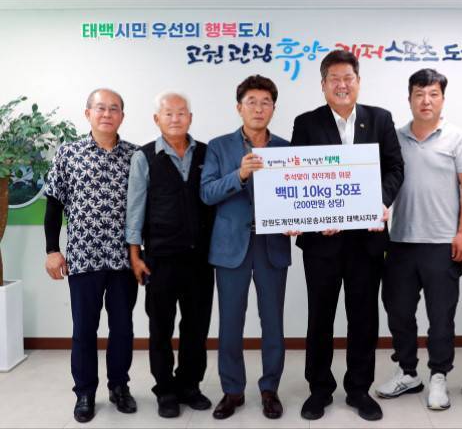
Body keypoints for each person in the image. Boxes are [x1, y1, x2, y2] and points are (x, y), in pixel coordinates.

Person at [291, 50, 404, 421]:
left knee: (364, 318)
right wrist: (314, 216)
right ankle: (319, 390)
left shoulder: (380, 119)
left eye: (348, 78)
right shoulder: (306, 123)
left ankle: (358, 389)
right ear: (323, 85)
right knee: (320, 318)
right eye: (334, 79)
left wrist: (379, 202)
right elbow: (297, 175)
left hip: (365, 242)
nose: (342, 85)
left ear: (358, 81)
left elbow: (395, 168)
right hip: (321, 242)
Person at [375, 68, 462, 410]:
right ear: (409, 99)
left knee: (441, 316)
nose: (426, 100)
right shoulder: (394, 137)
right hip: (400, 242)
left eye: (433, 94)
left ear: (442, 99)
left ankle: (438, 376)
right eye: (419, 94)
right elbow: (381, 181)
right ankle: (408, 372)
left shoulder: (457, 138)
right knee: (398, 311)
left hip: (442, 242)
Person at [200, 75, 291, 420]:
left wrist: (298, 218)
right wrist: (239, 175)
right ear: (239, 107)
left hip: (272, 246)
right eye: (251, 101)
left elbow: (297, 197)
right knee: (230, 322)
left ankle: (270, 389)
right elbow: (207, 193)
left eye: (265, 102)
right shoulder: (218, 146)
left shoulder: (287, 149)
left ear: (273, 109)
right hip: (231, 247)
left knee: (273, 322)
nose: (258, 108)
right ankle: (232, 390)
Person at [44, 88, 138, 423]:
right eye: (100, 108)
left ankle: (119, 386)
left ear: (122, 116)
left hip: (124, 259)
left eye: (114, 109)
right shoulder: (68, 154)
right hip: (83, 258)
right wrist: (52, 250)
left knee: (122, 328)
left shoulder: (136, 156)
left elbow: (145, 208)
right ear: (88, 113)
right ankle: (84, 391)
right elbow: (53, 205)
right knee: (84, 328)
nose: (107, 114)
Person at [125, 92, 214, 418]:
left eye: (181, 113)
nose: (175, 118)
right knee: (160, 327)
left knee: (196, 327)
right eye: (168, 113)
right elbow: (135, 208)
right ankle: (165, 389)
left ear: (190, 117)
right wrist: (135, 255)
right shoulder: (144, 157)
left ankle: (190, 385)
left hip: (201, 258)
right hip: (160, 258)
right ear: (156, 119)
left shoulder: (206, 153)